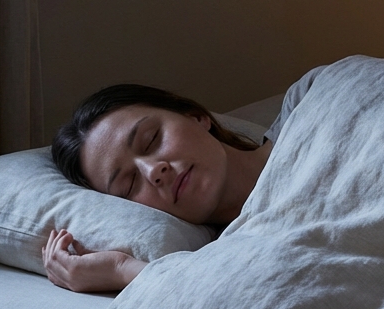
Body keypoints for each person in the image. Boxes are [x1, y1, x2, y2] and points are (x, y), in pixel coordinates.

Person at [43, 84, 274, 293]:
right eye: (130, 183)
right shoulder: (226, 262)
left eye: (152, 139)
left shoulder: (303, 103)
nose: (153, 171)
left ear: (197, 117)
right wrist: (121, 269)